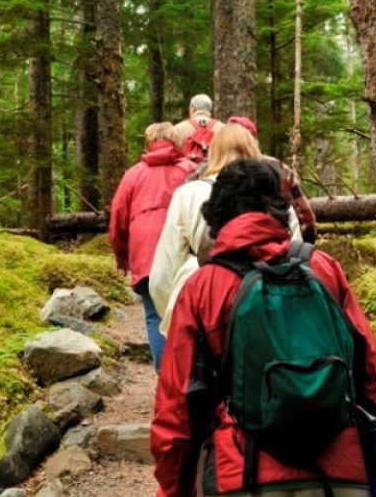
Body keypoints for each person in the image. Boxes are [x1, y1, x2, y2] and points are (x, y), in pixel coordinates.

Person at [152, 159, 376, 497]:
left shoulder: (203, 288)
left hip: (243, 475)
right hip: (342, 474)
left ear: (215, 215)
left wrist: (174, 490)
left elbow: (178, 410)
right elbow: (373, 377)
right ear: (282, 210)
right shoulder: (324, 269)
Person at [148, 123, 302, 336]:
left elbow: (162, 274)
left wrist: (174, 312)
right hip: (272, 300)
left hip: (202, 301)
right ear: (254, 151)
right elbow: (295, 254)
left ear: (213, 153)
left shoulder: (187, 194)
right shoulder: (275, 196)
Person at [108, 123, 198, 371]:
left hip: (145, 254)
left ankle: (164, 379)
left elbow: (117, 219)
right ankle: (188, 377)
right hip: (184, 254)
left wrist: (121, 256)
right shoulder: (191, 171)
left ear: (148, 143)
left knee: (154, 316)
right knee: (189, 316)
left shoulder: (133, 175)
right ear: (176, 141)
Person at [224, 115, 318, 243]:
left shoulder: (209, 170)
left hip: (227, 251)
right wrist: (305, 248)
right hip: (276, 250)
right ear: (254, 141)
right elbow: (306, 217)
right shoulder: (278, 168)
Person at [175, 94, 224, 162]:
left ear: (193, 108)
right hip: (216, 170)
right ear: (209, 109)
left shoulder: (178, 128)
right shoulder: (223, 128)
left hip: (188, 171)